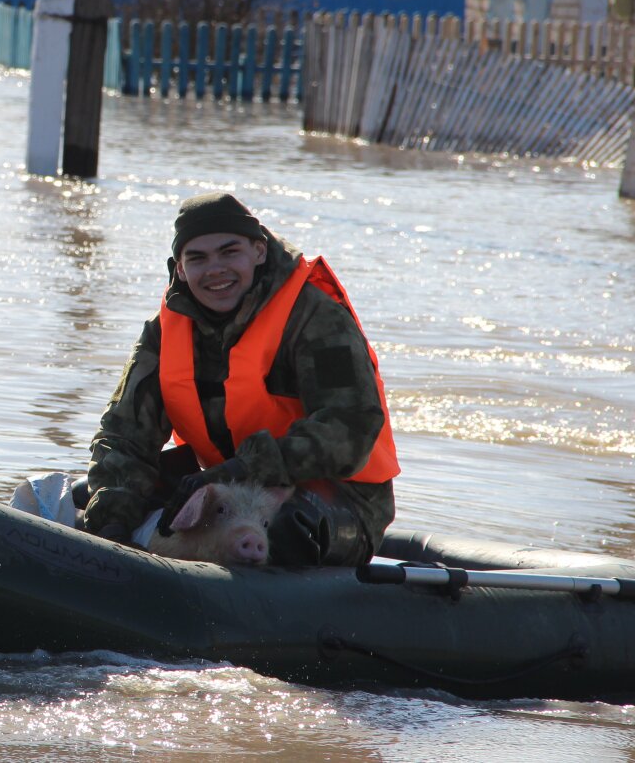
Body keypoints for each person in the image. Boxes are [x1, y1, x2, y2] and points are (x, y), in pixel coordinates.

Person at [82, 192, 398, 566]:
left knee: (287, 528)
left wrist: (241, 468)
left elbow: (350, 429)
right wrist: (112, 533)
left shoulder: (316, 319)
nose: (215, 269)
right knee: (98, 499)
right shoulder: (163, 332)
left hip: (337, 501)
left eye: (229, 252)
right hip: (224, 498)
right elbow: (123, 436)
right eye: (197, 258)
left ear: (259, 251)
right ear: (180, 270)